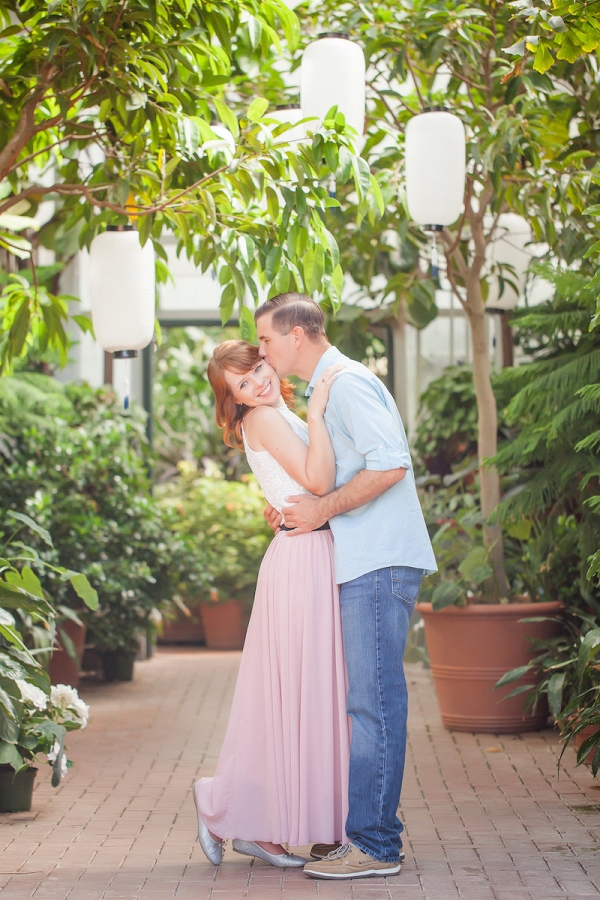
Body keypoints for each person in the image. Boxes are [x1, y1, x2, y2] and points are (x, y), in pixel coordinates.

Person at [254, 292, 437, 881]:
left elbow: (390, 465)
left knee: (374, 705)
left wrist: (320, 509)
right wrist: (310, 510)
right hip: (363, 558)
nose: (261, 351)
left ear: (296, 336)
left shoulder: (347, 383)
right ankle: (368, 838)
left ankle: (376, 847)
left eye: (265, 340)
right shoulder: (326, 386)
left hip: (379, 562)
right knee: (366, 704)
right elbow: (347, 471)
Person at [192, 340, 350, 869]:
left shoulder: (273, 411)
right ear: (233, 399)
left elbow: (297, 484)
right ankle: (228, 809)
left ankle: (271, 821)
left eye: (257, 369)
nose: (257, 383)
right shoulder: (263, 418)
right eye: (242, 384)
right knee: (297, 694)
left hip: (309, 549)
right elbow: (318, 480)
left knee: (304, 695)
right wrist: (318, 411)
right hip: (303, 557)